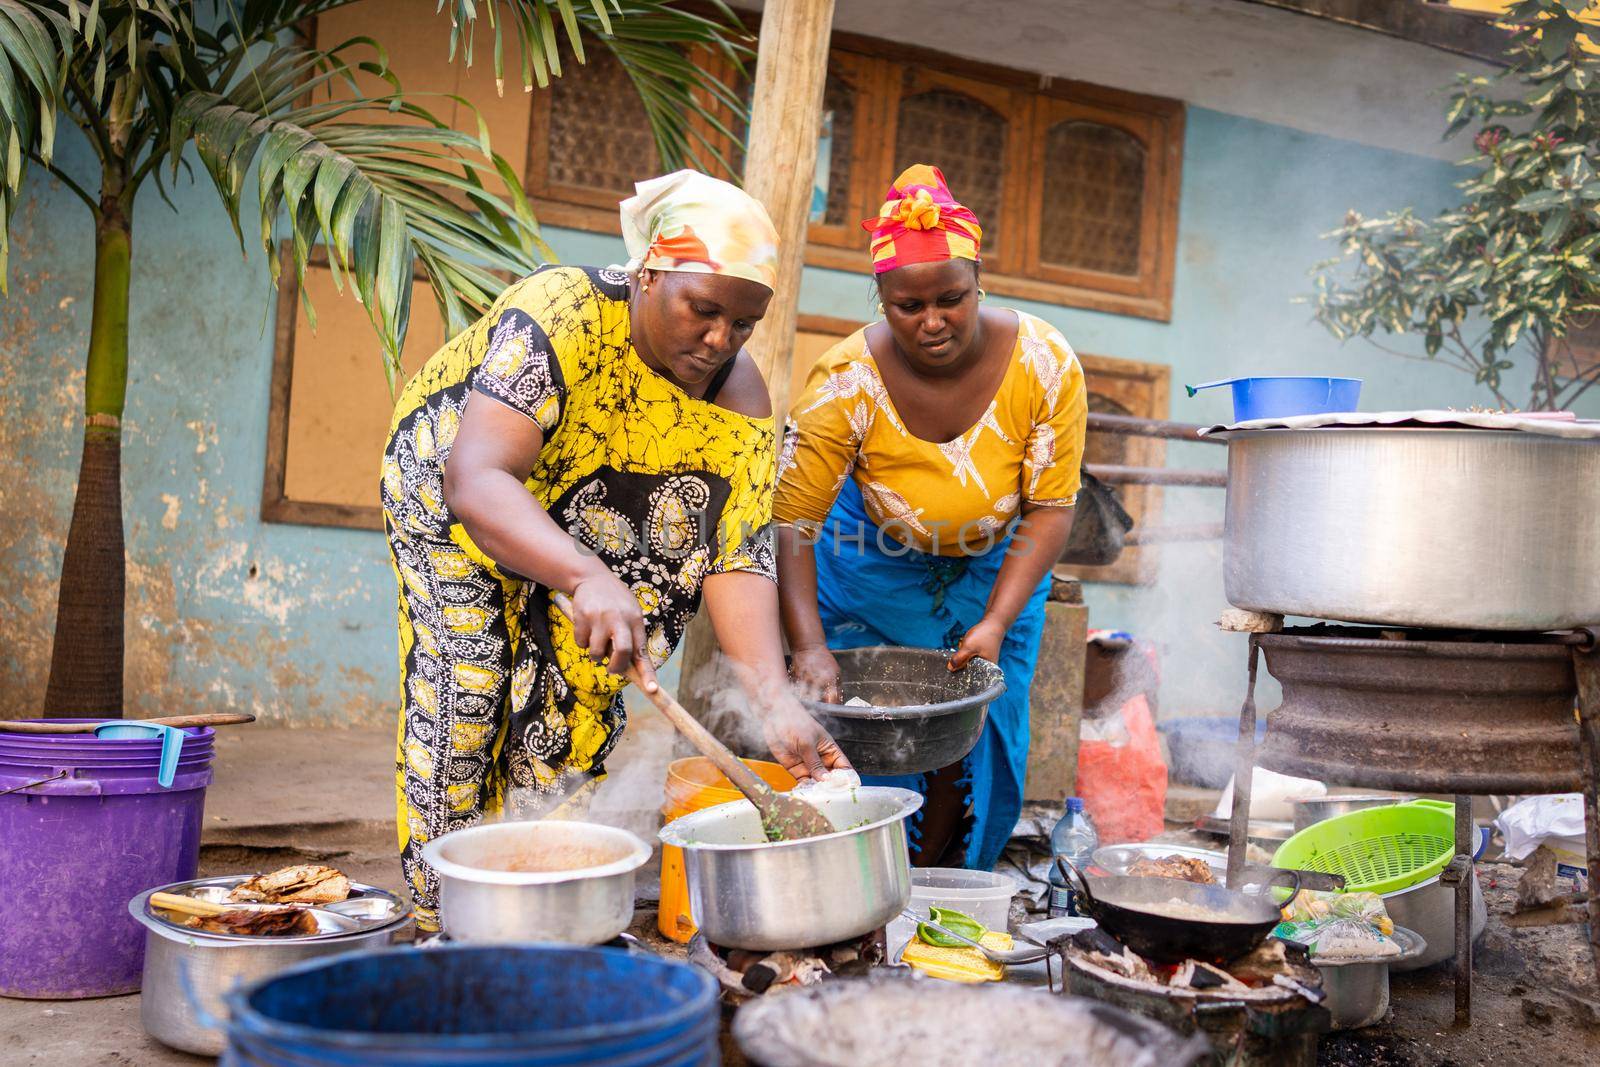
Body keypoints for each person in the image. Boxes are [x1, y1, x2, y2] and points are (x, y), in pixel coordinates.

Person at [383, 170, 850, 930]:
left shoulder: (739, 395)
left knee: (579, 683)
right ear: (650, 273)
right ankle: (444, 923)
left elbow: (736, 552)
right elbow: (479, 477)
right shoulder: (561, 313)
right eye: (703, 310)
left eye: (743, 324)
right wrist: (581, 571)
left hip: (588, 502)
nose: (718, 340)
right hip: (457, 493)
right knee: (470, 691)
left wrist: (775, 703)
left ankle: (535, 900)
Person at [774, 164, 1087, 871]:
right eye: (907, 306)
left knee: (977, 727)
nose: (932, 321)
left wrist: (998, 619)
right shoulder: (846, 380)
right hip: (868, 569)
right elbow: (793, 522)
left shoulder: (1043, 363)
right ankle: (865, 877)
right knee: (873, 726)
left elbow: (1050, 508)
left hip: (995, 571)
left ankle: (948, 881)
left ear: (980, 283)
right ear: (880, 297)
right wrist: (809, 641)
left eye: (952, 298)